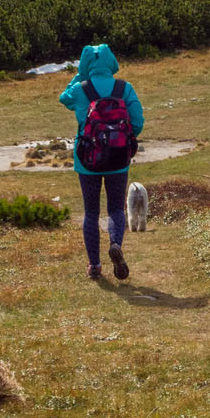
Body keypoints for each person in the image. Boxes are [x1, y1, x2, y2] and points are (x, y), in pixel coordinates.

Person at [60, 43, 144, 281]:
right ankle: (115, 244)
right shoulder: (125, 89)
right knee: (116, 208)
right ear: (111, 62)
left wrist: (80, 74)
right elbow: (137, 123)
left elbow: (63, 98)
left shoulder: (79, 89)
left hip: (87, 161)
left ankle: (95, 266)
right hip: (118, 160)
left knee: (91, 212)